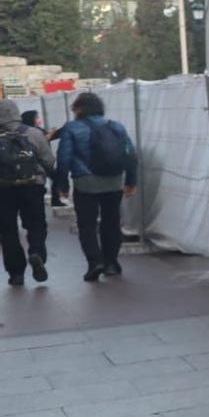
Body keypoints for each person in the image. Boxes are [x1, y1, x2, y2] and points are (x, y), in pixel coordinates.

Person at [56, 92, 136, 283]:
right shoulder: (116, 126)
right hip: (114, 181)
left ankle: (95, 262)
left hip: (86, 183)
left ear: (79, 109)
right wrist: (131, 181)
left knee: (87, 225)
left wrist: (63, 185)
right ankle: (111, 263)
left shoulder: (72, 128)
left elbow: (64, 159)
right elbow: (131, 155)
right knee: (112, 222)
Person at [0, 99, 55, 286]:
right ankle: (36, 253)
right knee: (36, 224)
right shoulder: (33, 133)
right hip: (33, 186)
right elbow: (48, 161)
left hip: (3, 190)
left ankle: (16, 273)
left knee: (7, 231)